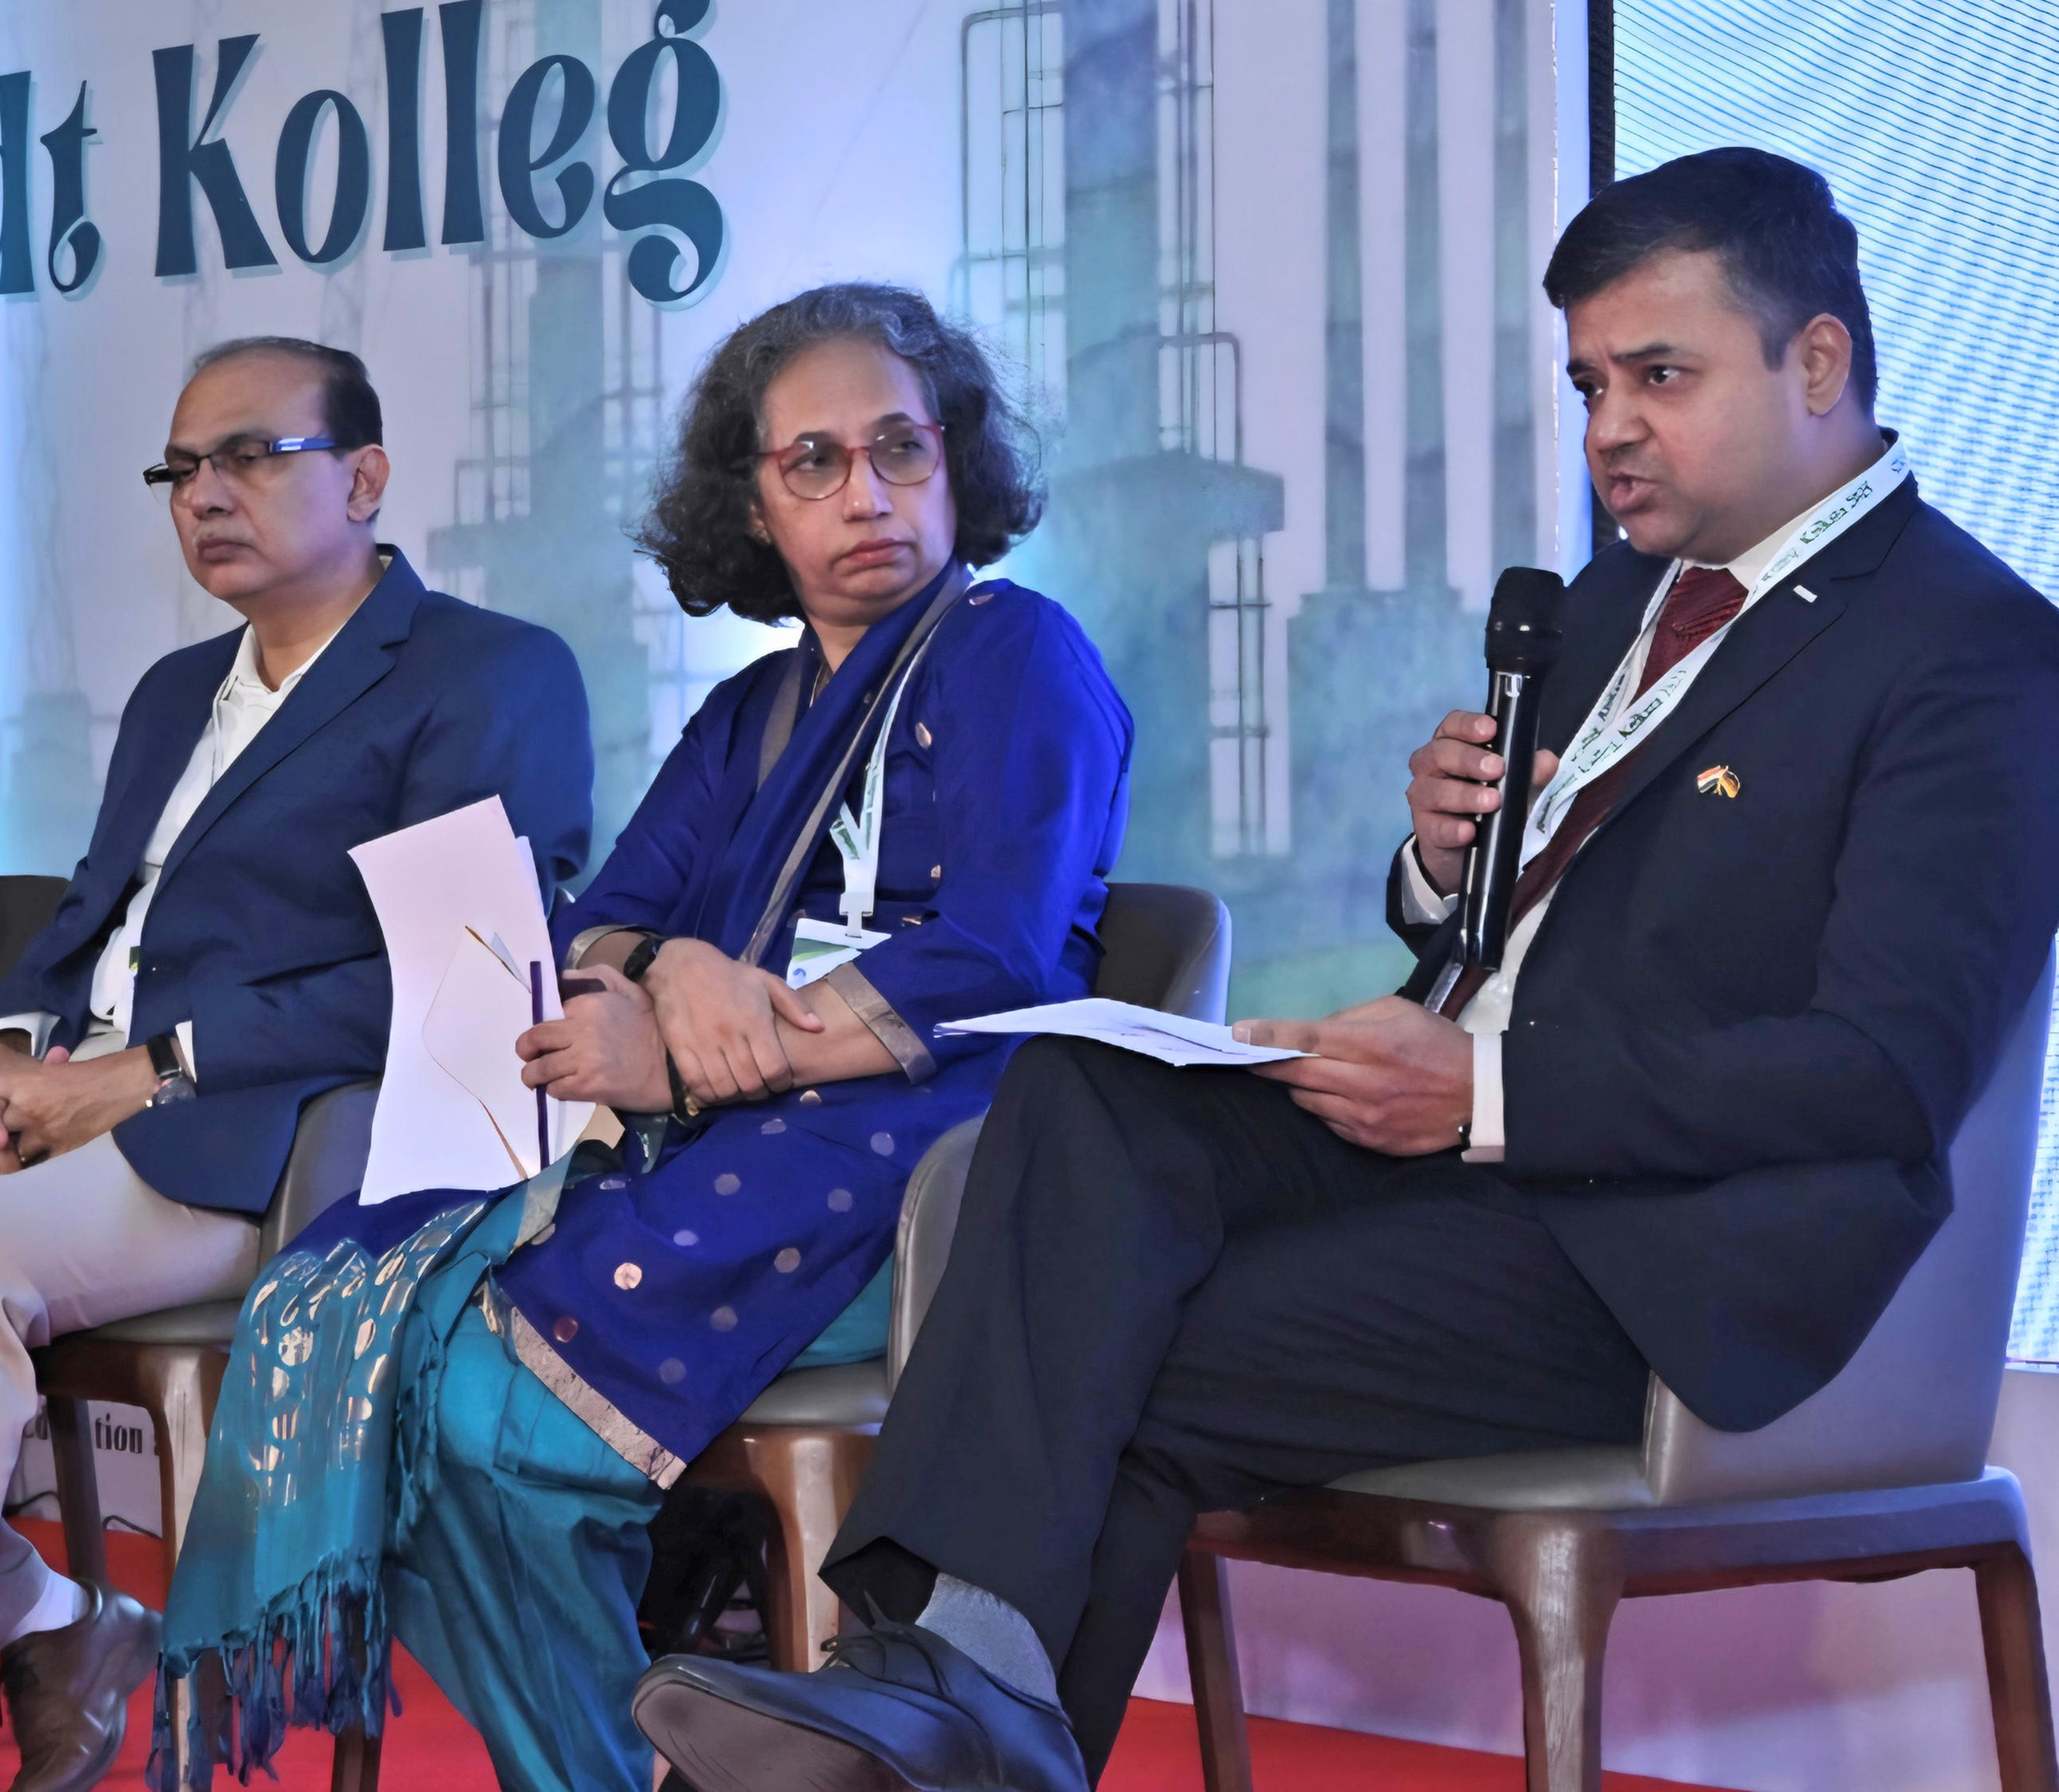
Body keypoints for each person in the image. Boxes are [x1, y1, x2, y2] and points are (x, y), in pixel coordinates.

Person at [632, 150, 2059, 1792]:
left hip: (1671, 1252)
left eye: (1656, 376)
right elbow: (1505, 950)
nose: (1605, 426)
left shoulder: (1970, 655)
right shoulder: (1614, 599)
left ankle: (920, 1703)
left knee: (1109, 1350)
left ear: (1815, 362)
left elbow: (1876, 1070)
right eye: (1589, 380)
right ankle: (938, 1696)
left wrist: (1490, 1090)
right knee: (1092, 1088)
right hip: (1468, 1166)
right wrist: (1439, 867)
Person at [150, 283, 1133, 1792]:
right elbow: (601, 921)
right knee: (361, 1345)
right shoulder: (748, 710)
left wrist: (701, 1048)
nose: (866, 493)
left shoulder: (1017, 650)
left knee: (484, 1420)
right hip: (726, 1138)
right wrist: (670, 976)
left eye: (899, 449)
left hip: (929, 1141)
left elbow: (995, 951)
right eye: (813, 462)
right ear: (751, 501)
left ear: (959, 461)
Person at [0, 336, 597, 1792]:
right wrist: (14, 1040)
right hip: (66, 1100)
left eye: (249, 457)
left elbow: (454, 982)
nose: (205, 492)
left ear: (366, 474)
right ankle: (61, 1617)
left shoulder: (485, 675)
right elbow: (92, 915)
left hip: (261, 1134)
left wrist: (154, 1066)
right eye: (181, 468)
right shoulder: (172, 691)